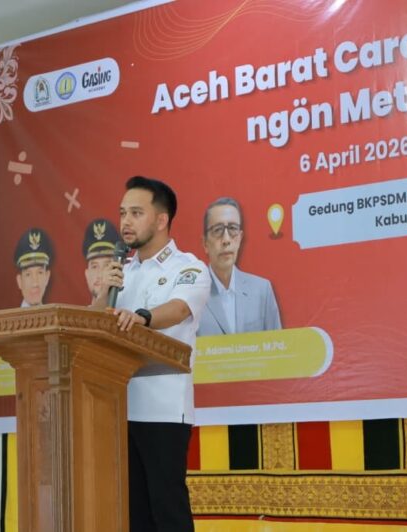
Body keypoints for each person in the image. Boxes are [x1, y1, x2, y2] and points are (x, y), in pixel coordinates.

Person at [91, 176, 210, 532]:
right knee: (134, 514)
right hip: (118, 409)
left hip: (163, 410)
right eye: (123, 213)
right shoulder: (122, 272)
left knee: (167, 510)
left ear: (161, 220)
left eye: (136, 213)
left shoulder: (188, 268)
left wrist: (141, 316)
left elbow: (177, 310)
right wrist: (103, 294)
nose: (125, 221)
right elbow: (93, 326)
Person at [197, 197, 281, 336]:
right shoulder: (191, 293)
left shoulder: (262, 291)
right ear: (205, 243)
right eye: (217, 230)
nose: (226, 240)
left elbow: (278, 348)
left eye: (232, 229)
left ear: (240, 238)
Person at [81, 218, 121, 300]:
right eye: (94, 266)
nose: (99, 274)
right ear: (87, 274)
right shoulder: (74, 313)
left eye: (107, 265)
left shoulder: (130, 311)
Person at [13, 227, 53, 307]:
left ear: (47, 277)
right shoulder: (9, 319)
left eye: (40, 273)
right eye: (28, 274)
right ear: (19, 281)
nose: (35, 283)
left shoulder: (55, 318)